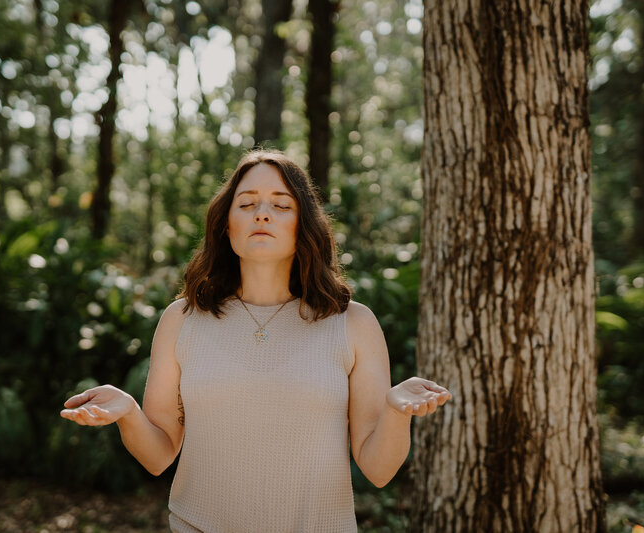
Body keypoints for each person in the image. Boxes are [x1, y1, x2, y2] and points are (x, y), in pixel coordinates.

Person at [60, 149, 452, 532]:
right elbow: (159, 455)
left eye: (281, 205)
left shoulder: (352, 323)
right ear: (226, 224)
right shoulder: (181, 320)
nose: (262, 213)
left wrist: (397, 414)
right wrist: (128, 412)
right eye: (246, 203)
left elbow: (378, 470)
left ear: (304, 225)